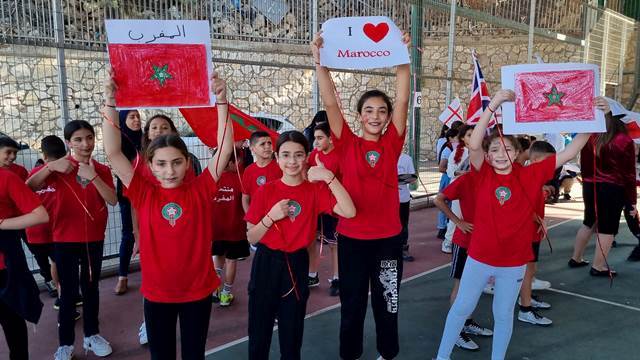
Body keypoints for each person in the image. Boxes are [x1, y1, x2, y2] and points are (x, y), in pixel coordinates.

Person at [434, 89, 592, 360]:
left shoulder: (531, 174)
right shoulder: (481, 173)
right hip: (479, 258)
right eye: (494, 148)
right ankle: (442, 357)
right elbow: (474, 145)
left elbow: (572, 150)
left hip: (514, 262)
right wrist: (493, 104)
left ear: (519, 153)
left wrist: (593, 118)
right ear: (487, 153)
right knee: (461, 307)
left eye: (507, 148)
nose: (499, 153)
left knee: (503, 314)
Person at [102, 70, 233, 360]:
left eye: (176, 163)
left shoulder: (200, 189)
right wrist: (110, 101)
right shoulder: (143, 191)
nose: (169, 170)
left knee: (193, 354)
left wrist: (222, 102)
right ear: (150, 164)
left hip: (198, 293)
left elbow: (224, 150)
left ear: (188, 163)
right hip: (158, 295)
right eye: (161, 164)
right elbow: (112, 153)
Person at [312, 30, 410, 360]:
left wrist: (402, 61)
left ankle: (388, 353)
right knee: (351, 305)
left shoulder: (392, 141)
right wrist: (320, 63)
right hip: (352, 240)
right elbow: (329, 102)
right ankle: (350, 355)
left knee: (388, 302)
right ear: (359, 115)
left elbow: (403, 101)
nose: (376, 116)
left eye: (382, 111)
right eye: (369, 110)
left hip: (387, 241)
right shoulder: (346, 142)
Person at [245, 130, 355, 359]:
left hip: (296, 263)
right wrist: (270, 217)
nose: (292, 161)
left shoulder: (314, 190)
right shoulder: (267, 191)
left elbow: (349, 211)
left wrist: (328, 177)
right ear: (277, 158)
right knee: (259, 331)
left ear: (306, 157)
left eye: (298, 155)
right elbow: (251, 237)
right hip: (266, 262)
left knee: (292, 332)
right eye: (285, 155)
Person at [27, 120, 117, 360]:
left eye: (89, 137)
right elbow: (29, 186)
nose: (85, 143)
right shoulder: (59, 168)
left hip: (93, 241)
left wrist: (94, 176)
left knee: (91, 289)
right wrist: (51, 167)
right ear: (68, 143)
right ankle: (65, 343)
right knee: (67, 293)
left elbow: (112, 199)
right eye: (78, 139)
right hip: (64, 240)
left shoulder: (102, 169)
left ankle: (91, 335)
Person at [569, 104, 634, 277]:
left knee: (589, 221)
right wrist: (632, 201)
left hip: (590, 186)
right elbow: (629, 174)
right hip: (612, 189)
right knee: (607, 228)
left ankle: (576, 257)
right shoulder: (623, 140)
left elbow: (583, 164)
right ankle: (599, 266)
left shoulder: (589, 137)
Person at [434, 171, 493, 353]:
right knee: (461, 287)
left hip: (484, 243)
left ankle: (466, 323)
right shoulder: (466, 179)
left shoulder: (495, 178)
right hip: (465, 242)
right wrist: (458, 221)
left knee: (475, 287)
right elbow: (439, 199)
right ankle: (456, 332)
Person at [0, 168, 49, 360]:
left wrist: (2, 223)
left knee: (12, 324)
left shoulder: (6, 177)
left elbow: (40, 215)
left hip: (4, 268)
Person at [517, 141, 556, 327]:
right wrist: (537, 218)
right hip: (527, 229)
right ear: (535, 158)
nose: (550, 165)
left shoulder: (536, 177)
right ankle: (525, 309)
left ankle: (527, 298)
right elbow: (520, 203)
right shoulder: (526, 175)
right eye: (547, 160)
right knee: (527, 270)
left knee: (531, 270)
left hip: (534, 229)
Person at [25, 136, 68, 300]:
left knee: (53, 262)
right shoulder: (61, 172)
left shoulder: (35, 172)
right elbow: (27, 188)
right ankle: (61, 293)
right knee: (57, 263)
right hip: (53, 231)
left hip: (35, 232)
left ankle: (60, 292)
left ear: (44, 155)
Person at [307, 119, 341, 294]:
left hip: (333, 209)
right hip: (315, 207)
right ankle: (312, 275)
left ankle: (337, 279)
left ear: (331, 138)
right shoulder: (313, 155)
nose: (316, 142)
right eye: (315, 138)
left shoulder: (340, 157)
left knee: (335, 244)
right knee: (311, 240)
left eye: (320, 138)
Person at [212, 152, 248, 307]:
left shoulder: (212, 179)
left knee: (217, 257)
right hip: (235, 229)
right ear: (230, 162)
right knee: (231, 261)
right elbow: (246, 201)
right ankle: (225, 295)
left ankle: (214, 290)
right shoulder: (240, 179)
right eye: (237, 160)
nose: (239, 162)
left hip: (216, 229)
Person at [114, 109, 143, 295]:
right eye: (131, 117)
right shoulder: (120, 142)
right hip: (128, 194)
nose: (136, 120)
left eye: (138, 116)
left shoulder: (145, 138)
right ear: (123, 120)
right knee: (128, 234)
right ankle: (122, 277)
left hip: (149, 192)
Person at [441, 125, 472, 254]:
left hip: (474, 189)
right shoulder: (457, 152)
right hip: (459, 189)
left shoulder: (480, 151)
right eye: (469, 135)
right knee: (457, 216)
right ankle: (448, 242)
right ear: (463, 138)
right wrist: (462, 172)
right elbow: (450, 172)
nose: (473, 138)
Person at [241, 131, 282, 212]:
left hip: (277, 217)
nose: (267, 146)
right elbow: (245, 198)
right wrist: (250, 218)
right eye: (262, 144)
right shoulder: (248, 170)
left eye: (269, 143)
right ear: (252, 148)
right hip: (256, 219)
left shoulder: (280, 167)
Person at [436, 128, 459, 242]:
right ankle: (442, 228)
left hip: (452, 178)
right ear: (451, 138)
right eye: (458, 136)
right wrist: (454, 171)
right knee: (444, 202)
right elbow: (441, 168)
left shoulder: (458, 148)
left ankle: (449, 226)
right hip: (447, 178)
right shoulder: (448, 149)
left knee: (452, 205)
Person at [397, 151, 417, 262]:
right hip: (387, 200)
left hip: (403, 199)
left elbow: (412, 177)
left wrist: (399, 180)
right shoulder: (383, 155)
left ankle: (403, 249)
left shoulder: (407, 159)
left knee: (403, 224)